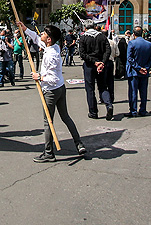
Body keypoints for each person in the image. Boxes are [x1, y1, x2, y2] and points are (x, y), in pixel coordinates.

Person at [19, 22, 86, 162]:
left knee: (48, 122)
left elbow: (53, 78)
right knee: (65, 117)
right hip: (60, 88)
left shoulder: (52, 55)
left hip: (51, 90)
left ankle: (49, 152)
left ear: (49, 38)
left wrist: (40, 77)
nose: (41, 34)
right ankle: (78, 144)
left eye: (44, 33)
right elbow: (37, 39)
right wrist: (25, 29)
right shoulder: (53, 46)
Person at [77, 21, 114, 120]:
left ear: (85, 28)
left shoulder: (83, 38)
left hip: (90, 65)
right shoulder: (102, 36)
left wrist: (94, 62)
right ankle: (108, 104)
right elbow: (108, 50)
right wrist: (102, 62)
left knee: (90, 89)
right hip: (101, 65)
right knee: (102, 87)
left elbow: (82, 53)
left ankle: (93, 112)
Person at [126, 25, 151, 117]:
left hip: (134, 71)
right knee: (143, 92)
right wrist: (146, 68)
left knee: (133, 92)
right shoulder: (149, 44)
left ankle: (133, 111)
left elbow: (130, 58)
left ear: (133, 34)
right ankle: (143, 110)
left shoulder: (132, 43)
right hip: (144, 71)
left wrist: (138, 68)